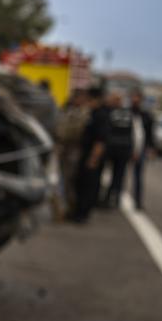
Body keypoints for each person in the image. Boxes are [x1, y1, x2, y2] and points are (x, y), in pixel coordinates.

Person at [71, 87, 109, 223]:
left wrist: (93, 159)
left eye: (89, 99)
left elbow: (100, 141)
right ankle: (78, 211)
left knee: (88, 186)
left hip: (92, 156)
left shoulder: (101, 115)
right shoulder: (91, 113)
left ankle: (83, 214)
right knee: (80, 184)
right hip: (85, 154)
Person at [52, 90, 89, 220]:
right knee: (63, 180)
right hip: (64, 149)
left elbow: (74, 131)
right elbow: (59, 127)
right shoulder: (68, 110)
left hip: (74, 149)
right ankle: (66, 208)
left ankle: (72, 209)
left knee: (70, 181)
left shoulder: (84, 113)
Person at [101, 92, 135, 208]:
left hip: (113, 149)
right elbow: (132, 134)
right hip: (122, 149)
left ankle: (109, 199)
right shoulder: (128, 114)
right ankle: (113, 199)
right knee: (118, 176)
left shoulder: (110, 113)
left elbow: (106, 131)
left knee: (114, 175)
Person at [130, 90, 156, 210]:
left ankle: (138, 202)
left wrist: (151, 148)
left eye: (138, 98)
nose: (135, 100)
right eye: (134, 97)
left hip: (140, 149)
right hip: (125, 149)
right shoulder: (125, 112)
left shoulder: (146, 115)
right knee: (117, 174)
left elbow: (150, 134)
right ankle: (113, 199)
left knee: (138, 177)